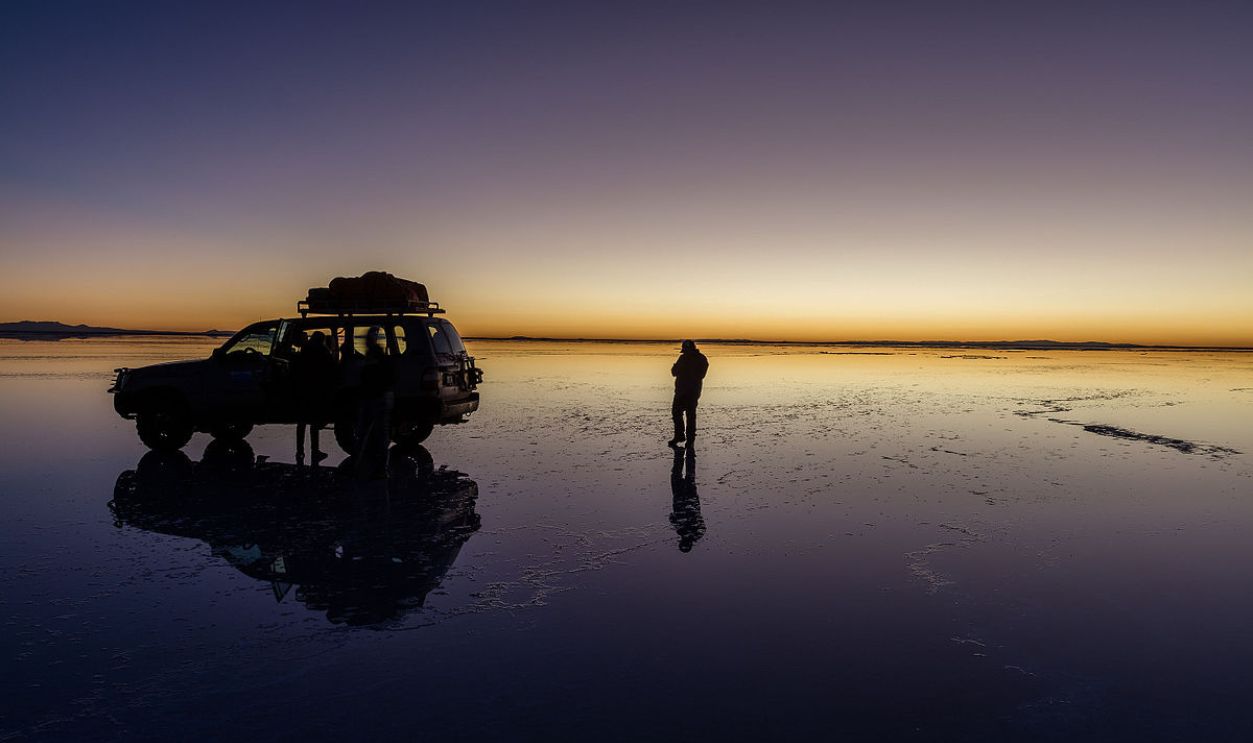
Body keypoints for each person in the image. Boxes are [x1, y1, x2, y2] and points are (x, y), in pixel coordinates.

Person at [354, 326, 396, 479]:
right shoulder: (377, 356)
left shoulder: (375, 356)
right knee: (376, 433)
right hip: (380, 397)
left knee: (368, 433)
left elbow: (372, 377)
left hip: (376, 398)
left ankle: (369, 468)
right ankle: (375, 468)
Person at [293, 330, 337, 465]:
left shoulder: (304, 351)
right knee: (314, 422)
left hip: (303, 389)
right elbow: (331, 367)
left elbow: (298, 369)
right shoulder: (323, 352)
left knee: (301, 423)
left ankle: (300, 451)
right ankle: (315, 450)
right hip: (316, 390)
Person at [668, 339, 709, 447]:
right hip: (689, 391)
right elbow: (701, 374)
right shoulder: (701, 358)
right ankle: (684, 437)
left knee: (683, 414)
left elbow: (674, 372)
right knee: (685, 414)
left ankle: (685, 438)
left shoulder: (686, 358)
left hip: (686, 392)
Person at [669, 445, 705, 553]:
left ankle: (679, 453)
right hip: (690, 500)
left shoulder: (680, 531)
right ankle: (689, 452)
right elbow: (701, 524)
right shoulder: (696, 533)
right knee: (688, 475)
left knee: (676, 476)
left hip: (679, 499)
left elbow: (672, 518)